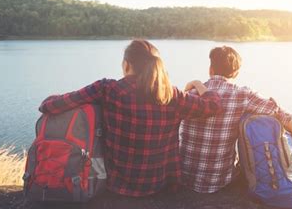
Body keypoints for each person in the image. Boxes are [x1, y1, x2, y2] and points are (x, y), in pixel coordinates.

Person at [39, 39, 222, 197]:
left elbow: (49, 106)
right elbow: (213, 106)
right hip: (160, 185)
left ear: (126, 64)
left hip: (116, 186)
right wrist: (199, 85)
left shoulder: (107, 89)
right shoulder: (171, 94)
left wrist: (51, 97)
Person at [179, 46, 292, 193]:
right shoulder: (243, 94)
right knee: (250, 118)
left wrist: (192, 84)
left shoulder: (191, 93)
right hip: (220, 180)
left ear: (210, 69)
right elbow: (287, 117)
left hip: (185, 177)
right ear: (236, 72)